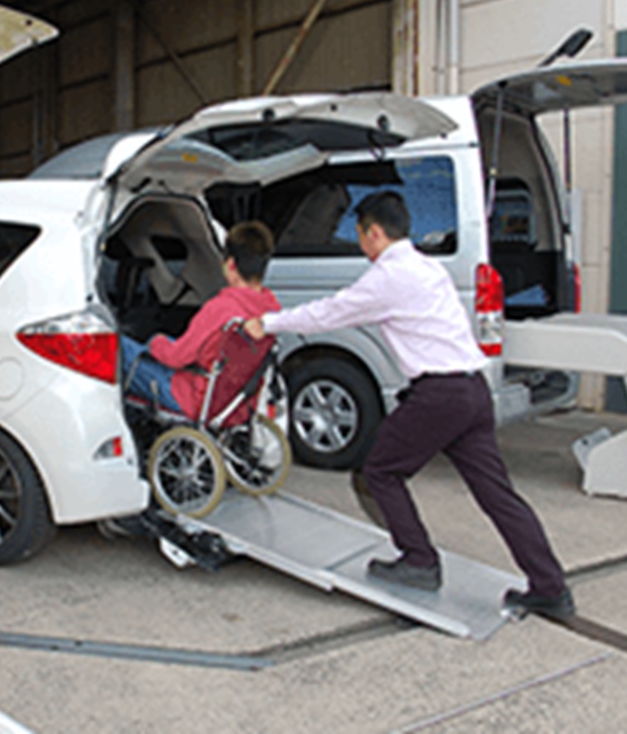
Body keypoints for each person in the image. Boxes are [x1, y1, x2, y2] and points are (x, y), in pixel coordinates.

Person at [244, 191, 573, 620]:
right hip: (471, 390)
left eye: (360, 234)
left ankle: (419, 560)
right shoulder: (428, 267)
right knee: (497, 495)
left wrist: (267, 323)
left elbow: (330, 313)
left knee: (379, 471)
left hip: (439, 395)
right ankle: (550, 588)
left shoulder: (389, 277)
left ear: (374, 233)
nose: (360, 244)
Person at [121, 221, 280, 420]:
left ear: (231, 264)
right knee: (166, 343)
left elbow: (176, 358)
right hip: (235, 403)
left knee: (120, 347)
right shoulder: (272, 310)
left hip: (193, 398)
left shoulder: (221, 308)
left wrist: (155, 341)